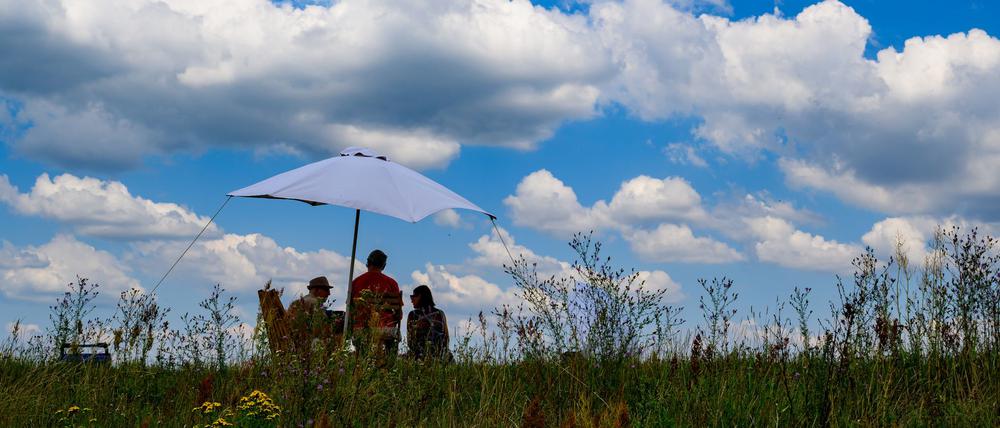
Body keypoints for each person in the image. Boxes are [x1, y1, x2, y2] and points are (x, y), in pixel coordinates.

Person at [349, 250, 403, 361]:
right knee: (391, 339)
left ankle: (362, 364)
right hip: (386, 328)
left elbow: (350, 308)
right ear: (384, 266)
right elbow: (399, 314)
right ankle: (390, 364)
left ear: (367, 263)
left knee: (362, 354)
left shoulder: (356, 282)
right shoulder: (392, 283)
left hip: (362, 328)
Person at [286, 276, 334, 349]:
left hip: (292, 342)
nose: (329, 293)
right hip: (307, 345)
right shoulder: (315, 303)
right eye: (326, 290)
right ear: (317, 290)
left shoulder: (296, 302)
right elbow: (321, 329)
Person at [406, 285, 451, 361]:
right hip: (440, 355)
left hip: (419, 356)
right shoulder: (440, 313)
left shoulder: (413, 315)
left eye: (413, 297)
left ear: (420, 296)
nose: (411, 300)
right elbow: (446, 337)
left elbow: (410, 342)